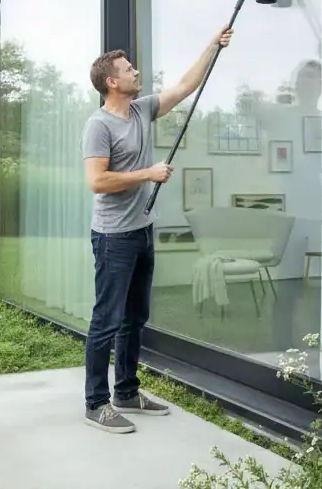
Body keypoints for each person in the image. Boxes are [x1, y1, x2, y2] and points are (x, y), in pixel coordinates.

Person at [80, 25, 234, 433]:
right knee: (107, 319)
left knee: (135, 317)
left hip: (142, 229)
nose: (135, 72)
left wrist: (210, 45)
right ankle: (96, 402)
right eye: (128, 69)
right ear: (112, 82)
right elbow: (97, 181)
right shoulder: (100, 126)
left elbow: (185, 86)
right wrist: (146, 172)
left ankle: (126, 392)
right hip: (114, 237)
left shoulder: (142, 109)